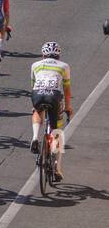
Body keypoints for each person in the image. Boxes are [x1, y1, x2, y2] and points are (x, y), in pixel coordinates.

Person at [30, 41, 73, 181]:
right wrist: (68, 107)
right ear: (58, 55)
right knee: (57, 132)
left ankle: (35, 137)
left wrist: (35, 105)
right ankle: (56, 168)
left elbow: (33, 85)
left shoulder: (35, 65)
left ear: (43, 54)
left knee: (37, 111)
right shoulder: (64, 66)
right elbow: (66, 90)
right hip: (54, 97)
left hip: (37, 94)